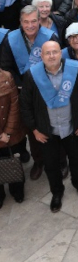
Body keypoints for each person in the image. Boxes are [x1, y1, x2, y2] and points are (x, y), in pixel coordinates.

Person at [20, 40, 78, 213]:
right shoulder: (32, 75)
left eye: (55, 52)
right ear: (41, 56)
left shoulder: (75, 69)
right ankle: (57, 192)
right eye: (47, 53)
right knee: (51, 165)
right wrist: (34, 129)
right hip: (47, 131)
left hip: (71, 127)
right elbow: (25, 105)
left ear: (61, 53)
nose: (52, 56)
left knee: (77, 159)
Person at [0, 63, 24, 208]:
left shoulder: (7, 77)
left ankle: (17, 191)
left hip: (11, 133)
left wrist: (7, 132)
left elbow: (15, 105)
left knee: (14, 161)